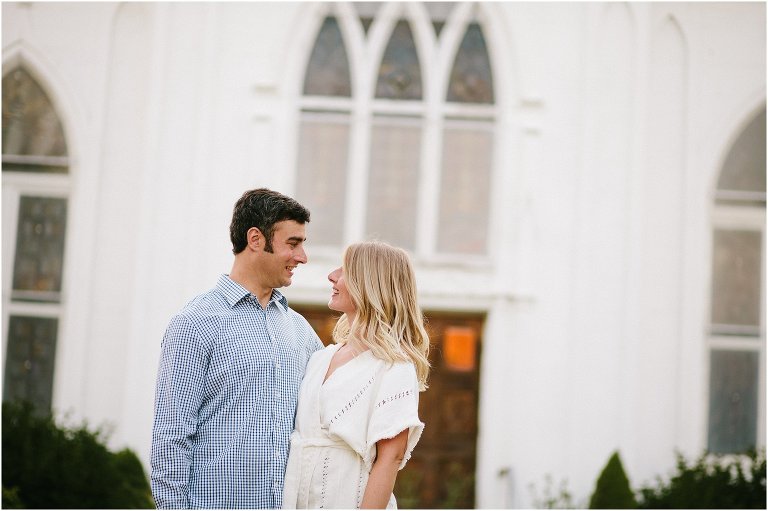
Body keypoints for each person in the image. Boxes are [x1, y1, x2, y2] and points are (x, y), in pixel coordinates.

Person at [151, 188, 323, 509]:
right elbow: (171, 436)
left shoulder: (300, 330)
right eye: (293, 243)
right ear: (255, 239)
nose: (302, 257)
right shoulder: (195, 323)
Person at [282, 240, 430, 509]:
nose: (332, 276)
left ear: (370, 284)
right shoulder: (320, 357)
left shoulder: (393, 365)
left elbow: (391, 457)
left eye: (345, 270)